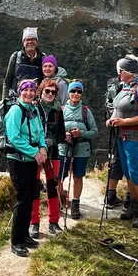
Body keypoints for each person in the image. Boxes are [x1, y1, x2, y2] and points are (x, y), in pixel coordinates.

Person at [106, 54, 138, 228]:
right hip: (122, 136)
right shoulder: (127, 87)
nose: (118, 74)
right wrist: (113, 119)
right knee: (129, 173)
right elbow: (116, 107)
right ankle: (134, 206)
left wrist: (123, 122)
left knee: (136, 174)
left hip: (136, 138)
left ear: (128, 71)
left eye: (120, 71)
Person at [4, 79, 47, 257]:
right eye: (25, 90)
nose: (29, 93)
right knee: (22, 199)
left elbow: (40, 131)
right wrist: (34, 152)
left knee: (30, 197)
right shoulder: (16, 110)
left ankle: (25, 235)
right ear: (20, 92)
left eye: (32, 90)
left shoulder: (34, 109)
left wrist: (43, 147)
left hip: (31, 159)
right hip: (18, 160)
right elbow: (14, 137)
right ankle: (16, 241)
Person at [30, 78, 65, 237]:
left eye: (53, 92)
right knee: (34, 187)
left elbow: (61, 135)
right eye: (47, 91)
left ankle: (53, 222)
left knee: (53, 186)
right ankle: (34, 223)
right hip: (35, 152)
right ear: (41, 92)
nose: (50, 94)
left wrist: (52, 141)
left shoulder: (58, 112)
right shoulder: (33, 108)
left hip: (53, 153)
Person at [58, 81, 98, 220]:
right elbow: (55, 130)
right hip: (64, 147)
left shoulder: (86, 111)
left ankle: (75, 203)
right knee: (60, 176)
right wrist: (64, 135)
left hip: (81, 147)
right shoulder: (61, 110)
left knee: (78, 176)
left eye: (79, 91)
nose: (76, 94)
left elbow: (94, 131)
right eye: (73, 91)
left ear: (81, 94)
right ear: (68, 93)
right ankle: (59, 200)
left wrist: (81, 134)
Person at [3, 27, 49, 97]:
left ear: (37, 42)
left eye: (33, 39)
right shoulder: (15, 57)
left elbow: (47, 79)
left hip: (35, 100)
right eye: (27, 40)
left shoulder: (43, 57)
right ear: (23, 42)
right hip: (16, 99)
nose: (30, 42)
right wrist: (5, 100)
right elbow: (7, 82)